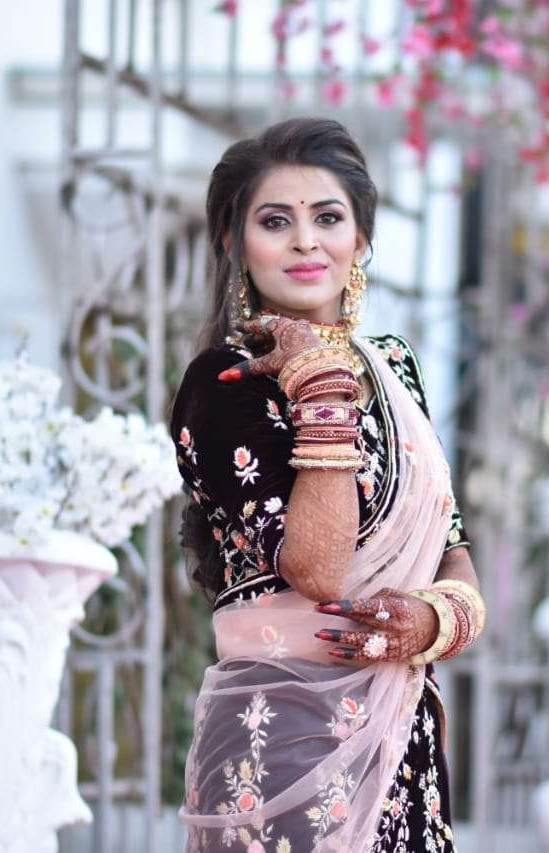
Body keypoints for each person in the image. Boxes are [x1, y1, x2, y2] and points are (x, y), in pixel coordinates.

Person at [168, 117, 485, 853]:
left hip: (402, 742)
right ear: (234, 242)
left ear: (361, 239)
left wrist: (434, 621)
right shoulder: (222, 384)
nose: (306, 242)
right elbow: (317, 567)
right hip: (285, 749)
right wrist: (321, 386)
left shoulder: (395, 370)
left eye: (329, 218)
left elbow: (453, 551)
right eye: (275, 221)